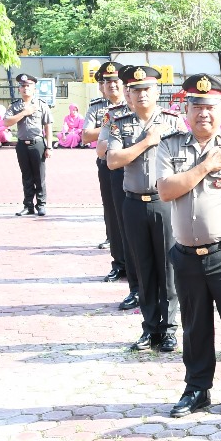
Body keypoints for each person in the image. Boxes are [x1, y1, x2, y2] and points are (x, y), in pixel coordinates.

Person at [157, 74, 221, 420]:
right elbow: (166, 190)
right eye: (196, 106)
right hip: (185, 255)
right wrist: (206, 166)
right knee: (195, 327)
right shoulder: (170, 146)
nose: (203, 113)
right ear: (186, 110)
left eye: (210, 107)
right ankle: (197, 388)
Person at [106, 65, 185, 351]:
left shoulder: (174, 122)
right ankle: (150, 328)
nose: (141, 94)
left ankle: (169, 328)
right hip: (133, 203)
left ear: (157, 91)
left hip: (164, 203)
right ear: (129, 92)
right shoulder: (119, 123)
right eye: (136, 90)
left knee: (168, 269)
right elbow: (113, 160)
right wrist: (147, 141)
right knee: (143, 269)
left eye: (147, 89)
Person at [84, 62, 135, 297]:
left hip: (135, 167)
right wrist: (112, 126)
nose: (112, 85)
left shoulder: (136, 105)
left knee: (134, 217)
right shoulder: (101, 108)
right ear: (102, 85)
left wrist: (112, 130)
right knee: (113, 215)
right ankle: (119, 263)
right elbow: (87, 136)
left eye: (117, 81)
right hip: (109, 166)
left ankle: (136, 265)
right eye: (108, 81)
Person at [3, 73, 52, 217]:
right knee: (26, 176)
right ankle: (28, 205)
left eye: (28, 86)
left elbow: (48, 126)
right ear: (19, 89)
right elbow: (6, 122)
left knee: (39, 176)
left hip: (37, 143)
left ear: (34, 88)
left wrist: (49, 147)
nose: (25, 88)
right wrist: (24, 112)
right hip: (22, 145)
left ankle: (41, 205)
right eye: (23, 86)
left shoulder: (41, 105)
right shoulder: (15, 106)